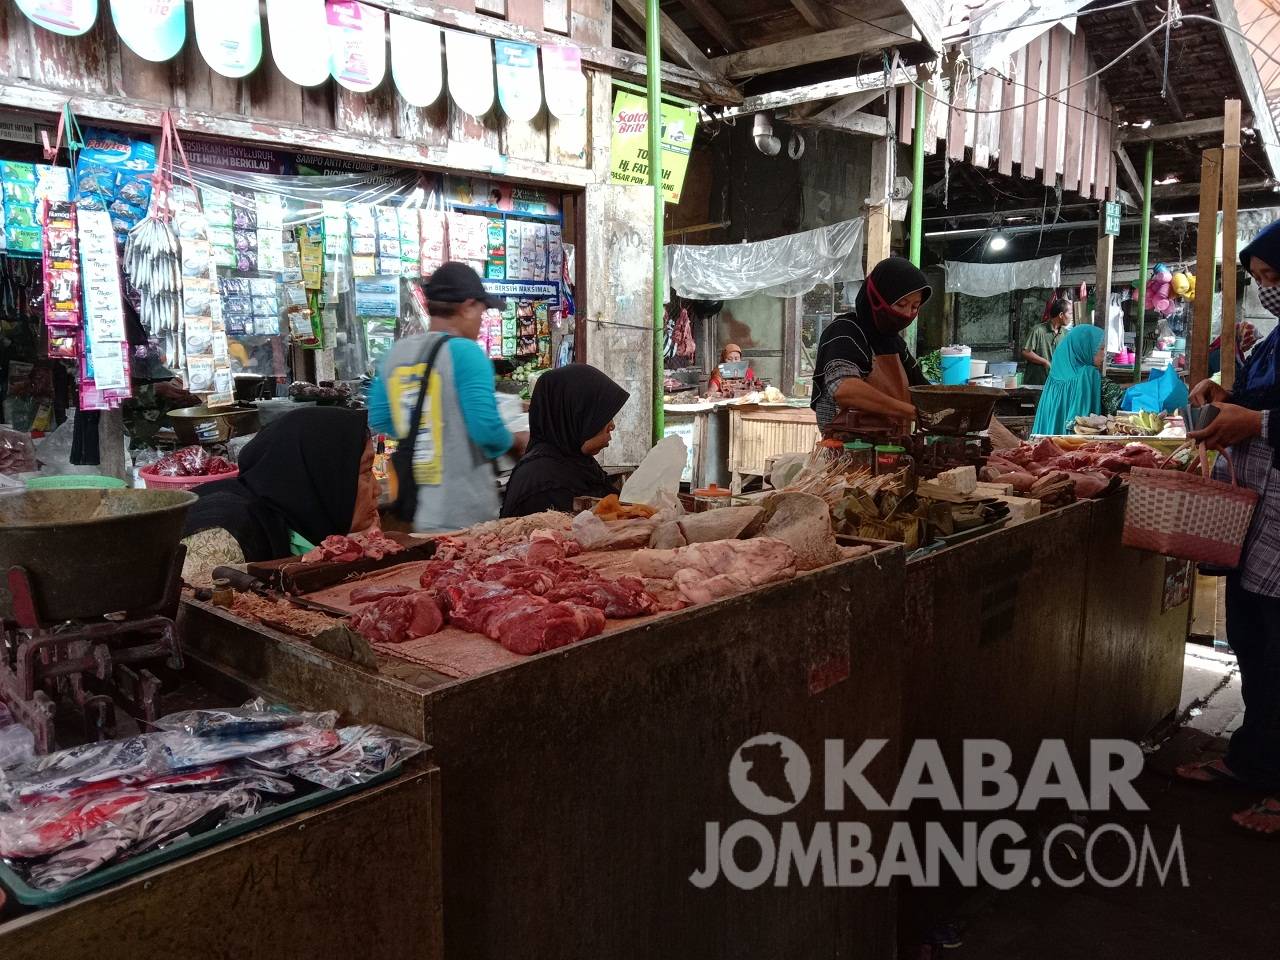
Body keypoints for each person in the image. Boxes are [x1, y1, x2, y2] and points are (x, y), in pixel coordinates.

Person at [1180, 220, 1280, 836]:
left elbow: (1269, 417)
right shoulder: (1277, 340)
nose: (1267, 290)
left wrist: (1257, 426)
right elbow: (1264, 398)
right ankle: (1251, 760)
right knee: (1253, 643)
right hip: (1261, 512)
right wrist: (1225, 396)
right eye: (1261, 280)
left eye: (1274, 277)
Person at [367, 262, 528, 533]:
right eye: (482, 310)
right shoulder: (467, 353)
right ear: (467, 306)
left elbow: (381, 419)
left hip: (411, 508)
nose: (481, 319)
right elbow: (488, 432)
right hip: (462, 512)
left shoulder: (397, 354)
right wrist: (518, 441)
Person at [180, 407, 378, 587]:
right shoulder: (225, 539)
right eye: (367, 471)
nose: (377, 489)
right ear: (325, 475)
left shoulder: (295, 522)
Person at [810, 256, 930, 438]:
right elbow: (843, 388)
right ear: (875, 298)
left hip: (893, 449)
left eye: (914, 307)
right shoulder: (845, 332)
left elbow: (923, 391)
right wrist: (912, 412)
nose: (907, 314)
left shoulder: (895, 344)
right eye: (901, 304)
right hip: (847, 454)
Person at [501, 364, 629, 517]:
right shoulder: (545, 483)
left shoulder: (576, 463)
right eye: (602, 414)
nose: (612, 425)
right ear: (576, 414)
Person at [1029, 323, 1105, 436]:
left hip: (1047, 444)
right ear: (1085, 348)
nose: (1104, 355)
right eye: (1101, 349)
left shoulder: (1054, 373)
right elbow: (1084, 426)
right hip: (1071, 446)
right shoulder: (1088, 374)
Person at [1021, 299, 1071, 386]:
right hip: (1036, 383)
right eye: (1069, 313)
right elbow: (1026, 352)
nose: (1071, 317)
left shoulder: (1066, 334)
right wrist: (1045, 362)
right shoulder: (1038, 330)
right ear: (1061, 315)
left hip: (1056, 383)